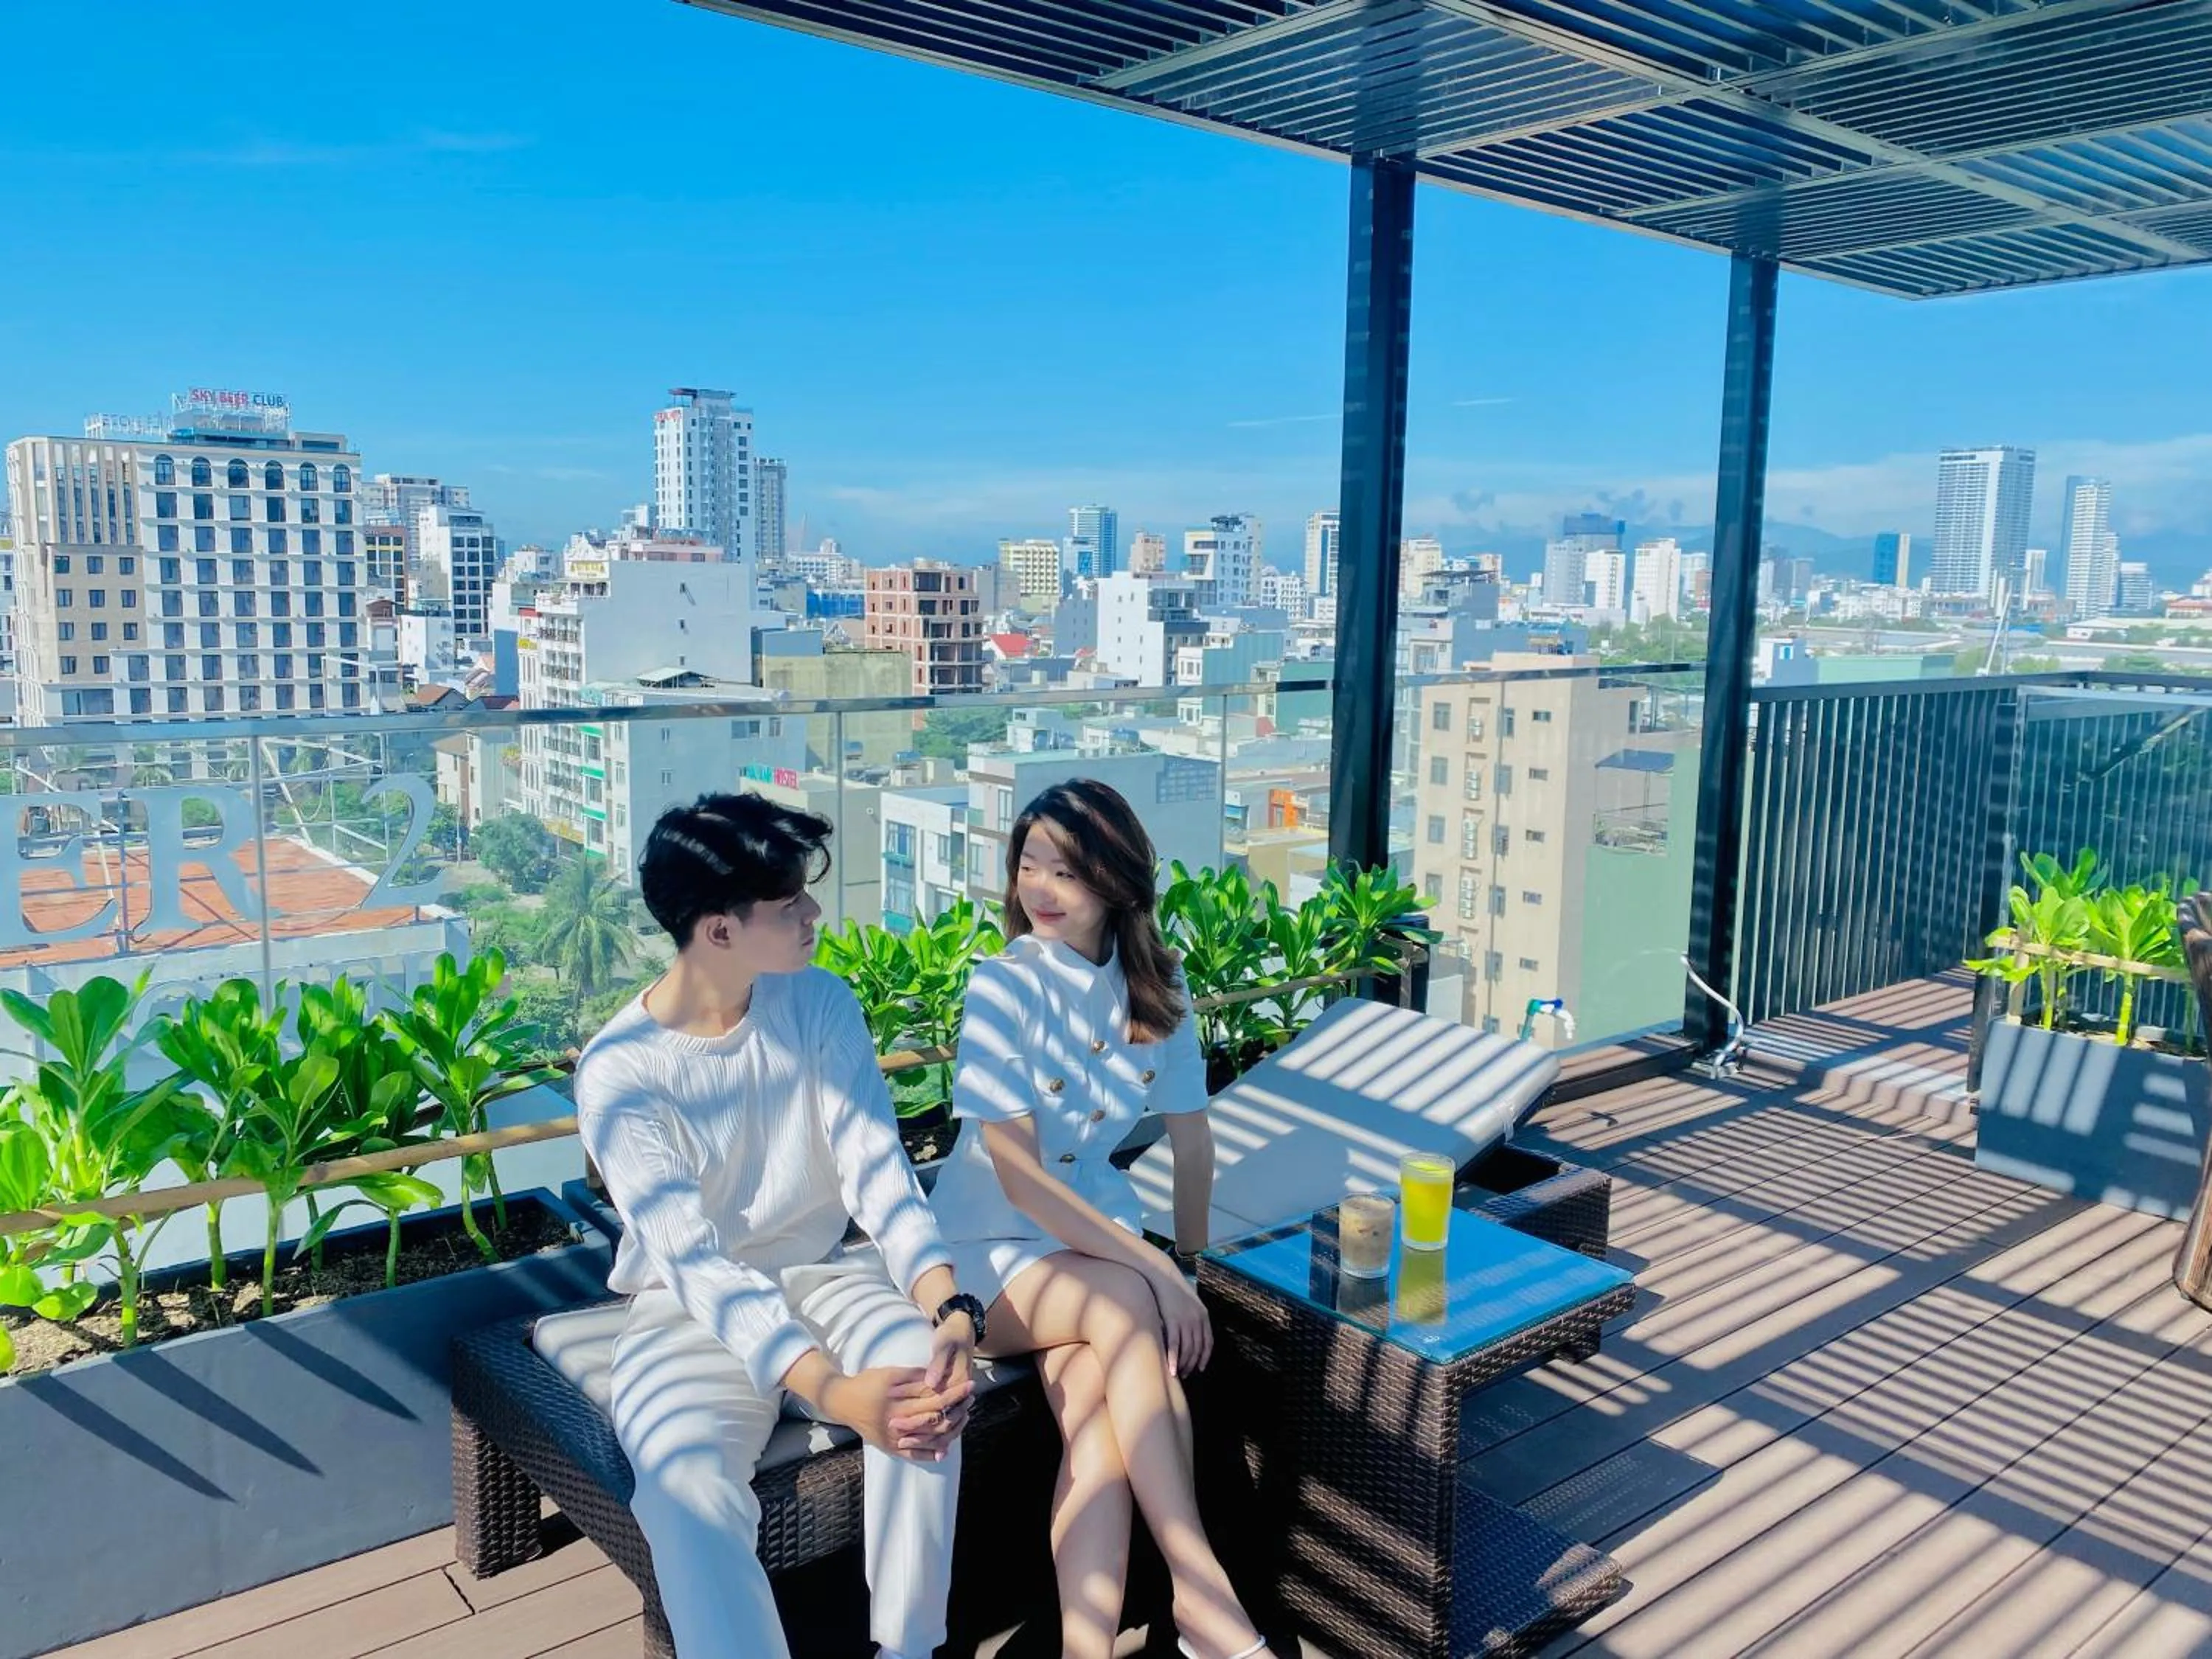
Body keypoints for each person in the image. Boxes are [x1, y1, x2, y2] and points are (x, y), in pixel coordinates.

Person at [574, 793, 987, 1659]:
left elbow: (880, 1174)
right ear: (719, 930)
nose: (813, 912)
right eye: (790, 900)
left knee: (927, 1388)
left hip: (827, 1273)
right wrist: (836, 1395)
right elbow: (696, 1263)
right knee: (685, 1485)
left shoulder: (819, 1003)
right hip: (685, 1309)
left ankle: (910, 1650)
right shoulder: (619, 1073)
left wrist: (949, 1306)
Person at [928, 779, 1273, 1659]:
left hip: (1092, 1250)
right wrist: (1162, 1275)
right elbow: (1017, 1180)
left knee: (1095, 1410)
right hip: (983, 1252)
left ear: (1118, 884)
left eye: (1066, 871)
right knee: (1127, 1308)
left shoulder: (1158, 985)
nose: (1038, 887)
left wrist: (1189, 1266)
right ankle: (1204, 1597)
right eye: (1028, 864)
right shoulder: (1002, 988)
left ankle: (1086, 1649)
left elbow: (1194, 1147)